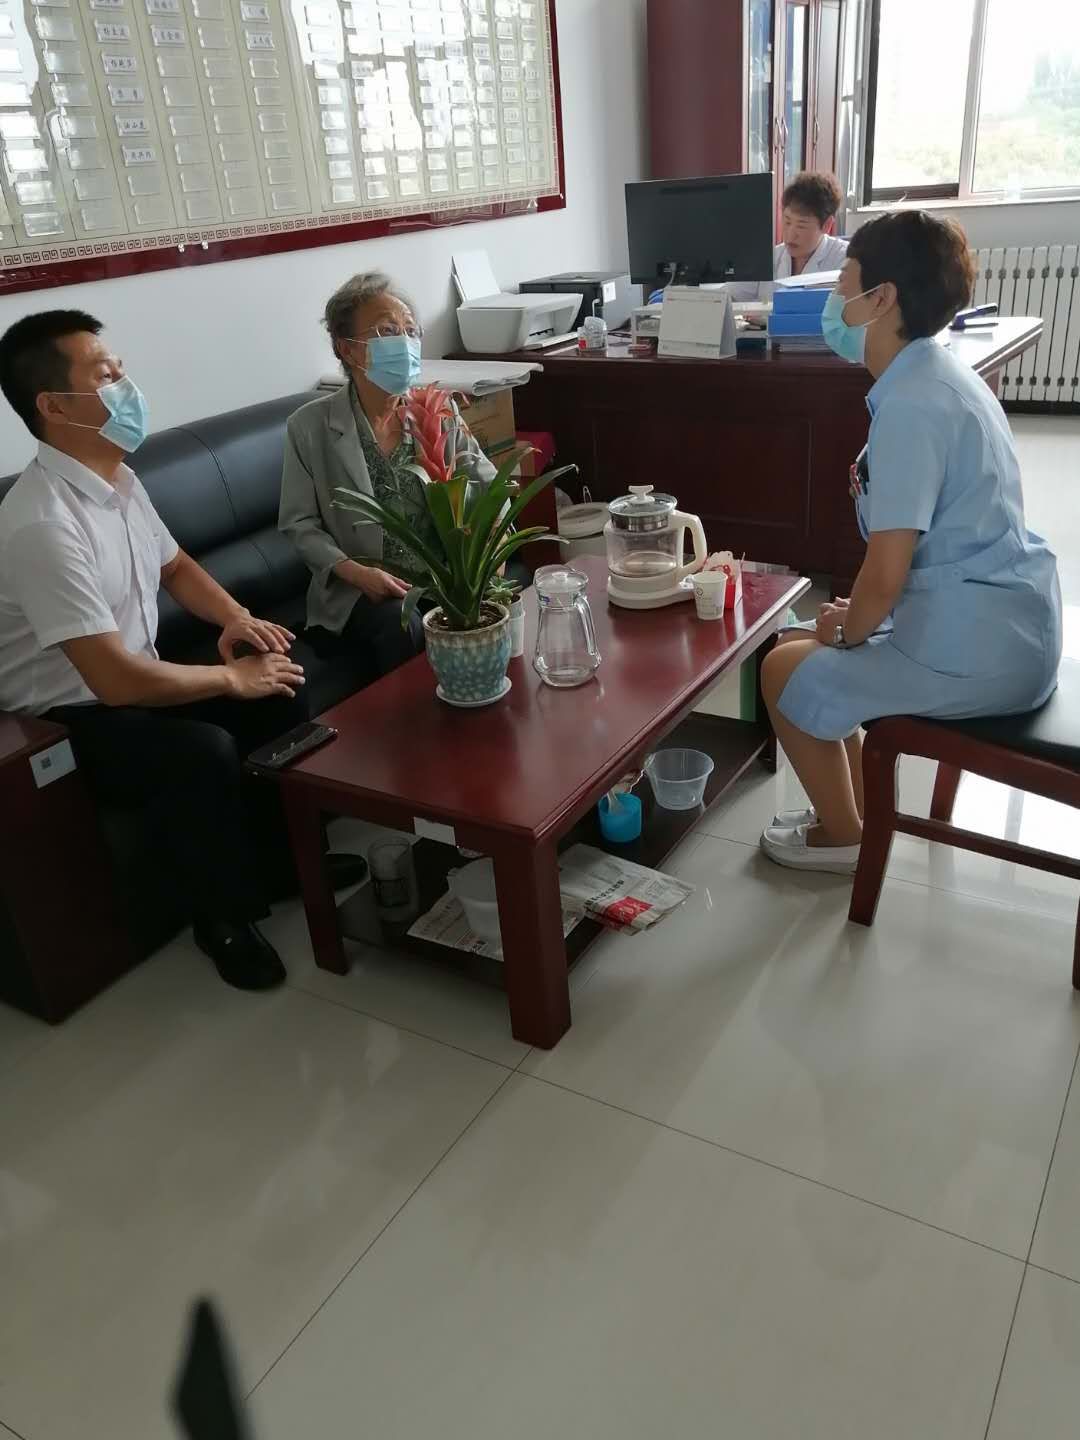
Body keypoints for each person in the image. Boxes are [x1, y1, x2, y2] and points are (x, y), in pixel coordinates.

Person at [0, 310, 362, 991]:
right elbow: (113, 682)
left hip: (133, 677)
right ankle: (223, 920)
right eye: (105, 376)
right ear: (54, 405)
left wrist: (237, 620)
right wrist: (228, 679)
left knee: (280, 685)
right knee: (200, 751)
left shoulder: (118, 480)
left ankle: (280, 868)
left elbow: (177, 568)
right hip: (66, 718)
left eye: (121, 370)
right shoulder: (41, 526)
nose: (126, 386)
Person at [758, 209, 1062, 874]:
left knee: (781, 671)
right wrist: (852, 624)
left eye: (844, 284)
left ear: (882, 299)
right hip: (997, 619)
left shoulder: (912, 406)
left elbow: (886, 571)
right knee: (795, 644)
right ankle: (858, 817)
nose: (836, 302)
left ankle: (845, 840)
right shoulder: (937, 374)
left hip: (981, 647)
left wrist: (851, 629)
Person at [279, 271, 497, 677]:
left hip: (446, 574)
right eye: (387, 331)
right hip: (364, 590)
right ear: (347, 349)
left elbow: (488, 483)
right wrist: (356, 573)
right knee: (400, 622)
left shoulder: (435, 409)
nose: (404, 342)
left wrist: (492, 545)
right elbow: (299, 525)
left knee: (496, 603)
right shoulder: (309, 427)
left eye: (410, 331)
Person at [726, 171, 849, 307]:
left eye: (801, 226)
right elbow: (728, 297)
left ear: (827, 225)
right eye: (787, 221)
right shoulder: (767, 258)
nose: (790, 235)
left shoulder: (845, 260)